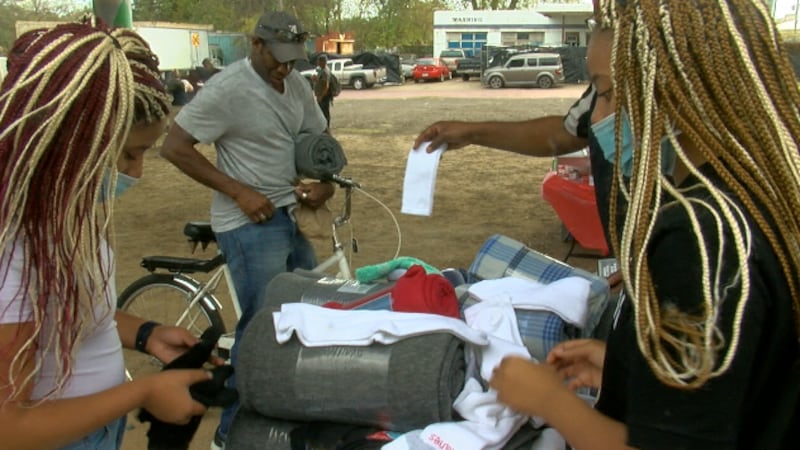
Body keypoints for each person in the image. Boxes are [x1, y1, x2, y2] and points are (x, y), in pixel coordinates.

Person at [490, 1, 800, 449]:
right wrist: (633, 368)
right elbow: (738, 378)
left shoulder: (699, 238)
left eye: (610, 94)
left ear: (682, 91)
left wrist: (549, 401)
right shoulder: (764, 192)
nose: (597, 120)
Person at [0, 19, 218, 450]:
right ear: (71, 143)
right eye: (128, 153)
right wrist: (141, 393)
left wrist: (144, 332)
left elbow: (64, 314)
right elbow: (9, 427)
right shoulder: (15, 246)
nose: (135, 172)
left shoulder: (63, 215)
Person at [159, 11, 333, 450]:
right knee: (262, 330)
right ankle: (230, 433)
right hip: (251, 223)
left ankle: (285, 416)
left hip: (291, 214)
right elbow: (174, 147)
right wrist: (239, 192)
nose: (285, 68)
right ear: (255, 44)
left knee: (308, 316)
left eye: (293, 59)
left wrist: (322, 183)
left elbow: (317, 141)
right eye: (278, 57)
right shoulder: (228, 90)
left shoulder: (295, 84)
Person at [314, 53, 332, 127]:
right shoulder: (322, 70)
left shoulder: (325, 71)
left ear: (323, 62)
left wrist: (321, 96)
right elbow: (321, 81)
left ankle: (325, 126)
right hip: (321, 95)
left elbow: (326, 86)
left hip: (324, 96)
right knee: (322, 111)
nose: (318, 63)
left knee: (324, 112)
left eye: (319, 61)